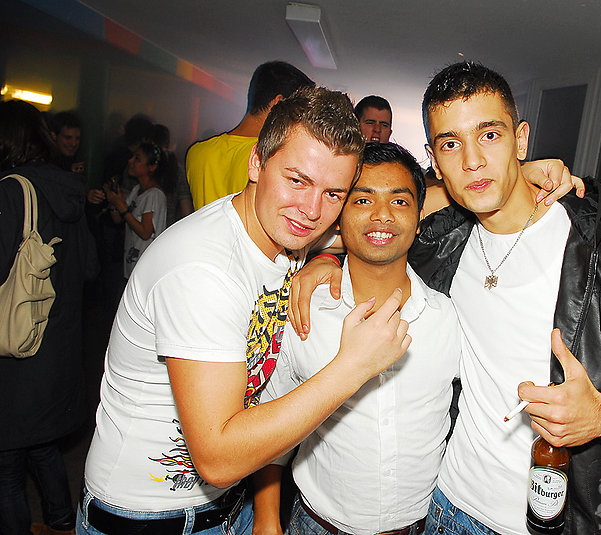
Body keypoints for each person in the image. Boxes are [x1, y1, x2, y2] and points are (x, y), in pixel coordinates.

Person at [291, 63, 601, 535]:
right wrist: (323, 260)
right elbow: (376, 227)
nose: (472, 161)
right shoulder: (443, 241)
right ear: (435, 160)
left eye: (489, 135)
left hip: (566, 519)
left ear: (521, 140)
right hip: (446, 509)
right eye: (451, 144)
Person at [77, 86, 412, 535]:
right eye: (297, 181)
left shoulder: (286, 230)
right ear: (256, 162)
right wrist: (353, 366)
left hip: (227, 505)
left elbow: (390, 218)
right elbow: (218, 458)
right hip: (147, 518)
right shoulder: (202, 270)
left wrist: (326, 261)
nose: (312, 210)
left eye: (334, 193)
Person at [264, 142, 461, 535]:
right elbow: (272, 421)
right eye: (363, 200)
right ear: (339, 218)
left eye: (399, 201)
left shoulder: (449, 318)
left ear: (419, 219)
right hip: (317, 523)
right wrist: (267, 519)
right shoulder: (305, 311)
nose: (382, 215)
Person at [0, 100, 93, 535]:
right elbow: (89, 267)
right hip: (57, 349)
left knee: (6, 463)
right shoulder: (69, 190)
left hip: (16, 350)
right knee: (41, 447)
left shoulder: (10, 191)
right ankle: (63, 524)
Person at [186, 61, 314, 208]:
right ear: (278, 103)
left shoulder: (197, 153)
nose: (303, 121)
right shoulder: (272, 157)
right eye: (300, 112)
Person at [103, 140, 168, 280]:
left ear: (151, 167)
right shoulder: (137, 190)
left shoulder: (154, 195)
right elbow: (118, 219)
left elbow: (145, 232)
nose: (130, 161)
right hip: (131, 266)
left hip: (145, 270)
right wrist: (114, 202)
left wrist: (121, 207)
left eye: (137, 159)